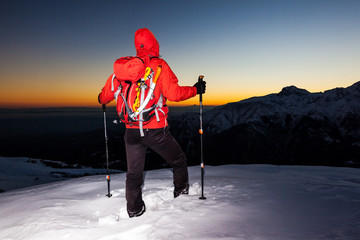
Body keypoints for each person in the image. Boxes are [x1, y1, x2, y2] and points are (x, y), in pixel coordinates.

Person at [98, 28, 206, 218]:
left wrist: (101, 98)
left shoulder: (123, 70)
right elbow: (175, 94)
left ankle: (134, 209)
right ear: (155, 45)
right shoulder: (159, 65)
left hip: (131, 131)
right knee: (179, 160)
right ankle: (181, 195)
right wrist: (195, 90)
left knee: (133, 174)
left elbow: (104, 97)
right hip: (156, 130)